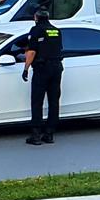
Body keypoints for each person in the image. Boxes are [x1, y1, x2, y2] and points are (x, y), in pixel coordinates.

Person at [21, 10, 64, 146]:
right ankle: (49, 134)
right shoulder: (56, 31)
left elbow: (32, 51)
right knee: (53, 101)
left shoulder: (36, 30)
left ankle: (36, 135)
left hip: (42, 69)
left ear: (36, 18)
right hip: (57, 68)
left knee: (37, 101)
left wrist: (26, 68)